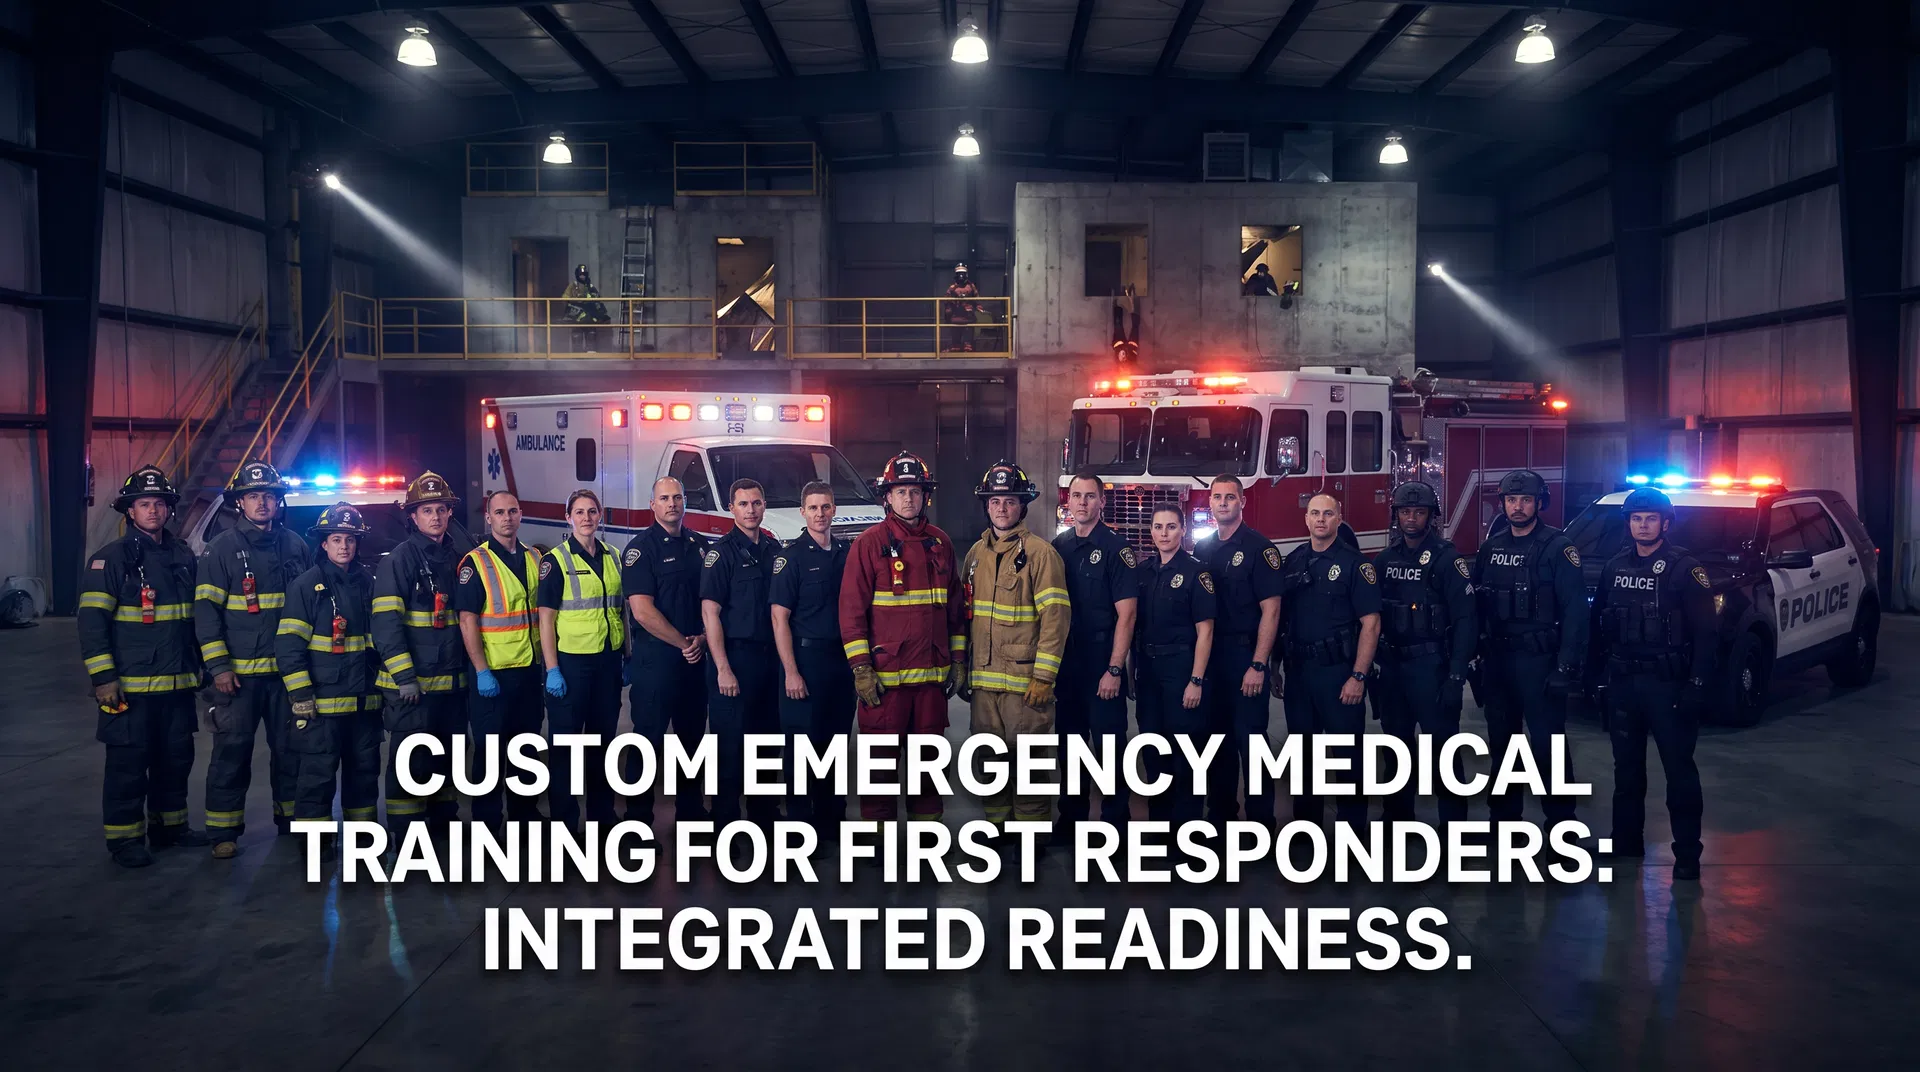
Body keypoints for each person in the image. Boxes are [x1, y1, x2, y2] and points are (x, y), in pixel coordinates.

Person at [78, 466, 213, 867]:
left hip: (176, 685)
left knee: (175, 760)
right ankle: (125, 841)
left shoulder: (181, 555)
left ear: (169, 509)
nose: (152, 511)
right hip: (130, 689)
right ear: (129, 511)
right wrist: (103, 679)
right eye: (144, 504)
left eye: (159, 503)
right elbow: (92, 624)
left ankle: (170, 829)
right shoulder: (110, 560)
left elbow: (192, 618)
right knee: (128, 765)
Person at [1592, 487, 1714, 882]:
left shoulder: (1685, 568)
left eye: (1650, 519)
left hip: (1668, 685)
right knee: (1626, 770)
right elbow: (1602, 628)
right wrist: (1597, 678)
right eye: (1636, 519)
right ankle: (1626, 842)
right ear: (1628, 523)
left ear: (1665, 523)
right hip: (1624, 681)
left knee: (1678, 772)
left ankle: (1687, 855)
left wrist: (1696, 684)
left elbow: (1706, 634)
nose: (1642, 525)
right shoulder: (1614, 567)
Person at [839, 451, 967, 822]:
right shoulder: (868, 544)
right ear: (887, 497)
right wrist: (861, 668)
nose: (908, 498)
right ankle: (877, 840)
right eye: (900, 491)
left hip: (931, 683)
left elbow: (955, 612)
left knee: (928, 770)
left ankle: (927, 837)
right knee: (878, 770)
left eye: (914, 491)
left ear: (925, 495)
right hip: (884, 685)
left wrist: (958, 661)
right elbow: (851, 613)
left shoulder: (941, 544)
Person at [195, 460, 309, 857]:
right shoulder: (221, 549)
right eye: (254, 496)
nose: (263, 503)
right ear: (240, 503)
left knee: (292, 749)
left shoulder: (295, 544)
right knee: (232, 752)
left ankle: (291, 820)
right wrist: (219, 668)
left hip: (287, 675)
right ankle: (222, 833)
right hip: (238, 679)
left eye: (270, 496)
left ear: (279, 502)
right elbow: (206, 614)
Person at [958, 461, 1071, 833]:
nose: (1001, 508)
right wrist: (962, 666)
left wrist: (1044, 677)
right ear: (986, 506)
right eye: (994, 501)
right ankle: (998, 831)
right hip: (985, 685)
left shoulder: (1040, 554)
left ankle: (1030, 837)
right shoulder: (976, 555)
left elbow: (1055, 618)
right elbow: (965, 614)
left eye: (1009, 500)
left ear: (1022, 505)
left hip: (1025, 686)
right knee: (990, 764)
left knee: (1029, 763)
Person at [1473, 469, 1588, 827]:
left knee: (1547, 747)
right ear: (1503, 504)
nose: (1517, 507)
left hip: (1540, 662)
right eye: (1511, 500)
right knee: (1503, 745)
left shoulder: (1559, 548)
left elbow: (1575, 612)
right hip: (1498, 661)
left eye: (1525, 500)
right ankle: (1504, 820)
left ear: (1539, 503)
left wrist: (1566, 667)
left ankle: (1560, 823)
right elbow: (1476, 604)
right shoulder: (1491, 547)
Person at [276, 502, 382, 855]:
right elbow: (289, 645)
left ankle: (362, 842)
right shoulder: (306, 586)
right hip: (320, 705)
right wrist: (300, 695)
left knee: (364, 777)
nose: (344, 546)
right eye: (336, 539)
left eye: (350, 540)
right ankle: (314, 846)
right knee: (317, 778)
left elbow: (380, 642)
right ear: (323, 543)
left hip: (364, 704)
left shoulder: (369, 583)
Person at [1370, 482, 1476, 825]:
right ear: (1396, 516)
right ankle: (1396, 818)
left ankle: (1453, 825)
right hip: (1392, 667)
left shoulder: (1448, 559)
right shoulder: (1385, 560)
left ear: (1431, 517)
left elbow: (1465, 620)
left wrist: (1457, 675)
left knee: (1443, 750)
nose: (1411, 518)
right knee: (1396, 747)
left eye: (1418, 512)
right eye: (1404, 512)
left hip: (1432, 667)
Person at [372, 471, 470, 833]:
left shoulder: (459, 557)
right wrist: (405, 679)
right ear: (412, 517)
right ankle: (404, 828)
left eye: (441, 509)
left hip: (452, 684)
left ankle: (443, 821)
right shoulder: (399, 561)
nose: (436, 517)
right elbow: (386, 626)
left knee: (448, 757)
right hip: (415, 689)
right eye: (427, 510)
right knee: (411, 762)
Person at [1279, 494, 1382, 828]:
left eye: (1327, 514)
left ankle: (1354, 827)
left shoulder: (1356, 565)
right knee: (1304, 754)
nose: (1320, 519)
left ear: (1339, 519)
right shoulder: (1293, 561)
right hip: (1299, 672)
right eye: (1314, 514)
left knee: (1347, 754)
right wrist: (1275, 665)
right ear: (1306, 520)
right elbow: (1283, 619)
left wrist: (1359, 675)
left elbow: (1371, 624)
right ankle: (1306, 825)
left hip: (1339, 673)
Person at [1192, 474, 1285, 826]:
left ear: (1242, 502)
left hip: (1245, 657)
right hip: (1212, 660)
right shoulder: (1203, 549)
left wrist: (1259, 664)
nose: (1223, 503)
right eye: (1217, 497)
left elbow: (1271, 610)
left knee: (1252, 744)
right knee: (1216, 742)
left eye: (1230, 497)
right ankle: (1220, 816)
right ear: (1210, 502)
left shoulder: (1261, 549)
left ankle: (1262, 821)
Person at [1051, 471, 1138, 831]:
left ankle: (1115, 823)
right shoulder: (1059, 548)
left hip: (1102, 660)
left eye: (1090, 496)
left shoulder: (1118, 549)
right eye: (1076, 496)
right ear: (1067, 501)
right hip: (1067, 663)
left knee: (1109, 748)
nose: (1082, 503)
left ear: (1102, 501)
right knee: (1070, 747)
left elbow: (1128, 614)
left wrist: (1115, 669)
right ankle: (1071, 820)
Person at [621, 477, 710, 825]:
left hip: (693, 658)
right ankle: (637, 821)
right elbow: (642, 610)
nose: (672, 503)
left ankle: (691, 812)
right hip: (656, 660)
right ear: (652, 505)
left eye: (677, 497)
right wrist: (684, 642)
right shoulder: (640, 549)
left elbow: (709, 602)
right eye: (664, 498)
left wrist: (701, 638)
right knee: (648, 741)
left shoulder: (699, 546)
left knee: (692, 740)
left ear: (685, 501)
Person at [454, 491, 544, 831]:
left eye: (513, 511)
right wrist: (481, 670)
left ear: (521, 515)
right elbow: (468, 620)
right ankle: (487, 823)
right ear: (488, 518)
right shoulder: (475, 563)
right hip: (492, 674)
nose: (507, 518)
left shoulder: (535, 558)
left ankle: (525, 816)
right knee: (490, 754)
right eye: (499, 512)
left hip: (528, 671)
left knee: (526, 750)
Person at [537, 489, 627, 829]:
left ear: (600, 515)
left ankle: (602, 816)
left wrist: (625, 654)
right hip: (571, 665)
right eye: (579, 512)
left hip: (607, 662)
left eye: (592, 511)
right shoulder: (556, 560)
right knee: (566, 747)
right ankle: (564, 820)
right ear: (568, 518)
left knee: (603, 744)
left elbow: (620, 609)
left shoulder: (613, 556)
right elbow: (545, 619)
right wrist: (552, 669)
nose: (586, 518)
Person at [770, 481, 854, 837]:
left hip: (842, 663)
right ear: (802, 512)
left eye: (826, 507)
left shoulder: (848, 554)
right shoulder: (790, 558)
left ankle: (832, 819)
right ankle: (802, 824)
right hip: (805, 660)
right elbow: (779, 618)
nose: (820, 514)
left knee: (835, 745)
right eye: (813, 508)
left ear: (834, 510)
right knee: (802, 748)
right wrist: (791, 672)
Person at [700, 479, 781, 827]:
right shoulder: (721, 554)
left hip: (769, 661)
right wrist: (722, 668)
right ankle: (726, 823)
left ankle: (764, 818)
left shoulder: (774, 549)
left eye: (757, 503)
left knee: (767, 744)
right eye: (744, 504)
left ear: (764, 506)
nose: (751, 510)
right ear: (731, 508)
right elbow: (710, 613)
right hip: (734, 659)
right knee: (729, 747)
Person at [1133, 505, 1215, 824]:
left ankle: (1188, 831)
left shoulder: (1197, 572)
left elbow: (1205, 631)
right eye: (1158, 527)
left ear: (1183, 531)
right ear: (1151, 531)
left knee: (1186, 756)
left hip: (1181, 670)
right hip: (1149, 673)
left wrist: (1196, 680)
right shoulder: (1144, 572)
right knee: (1154, 751)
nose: (1163, 533)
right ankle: (1160, 826)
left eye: (1170, 527)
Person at [562, 263, 611, 351]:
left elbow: (597, 300)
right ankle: (577, 356)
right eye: (580, 274)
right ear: (577, 274)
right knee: (577, 336)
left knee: (591, 335)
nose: (582, 276)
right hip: (576, 317)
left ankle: (590, 356)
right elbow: (564, 298)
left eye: (584, 274)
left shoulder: (590, 287)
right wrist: (576, 300)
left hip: (589, 318)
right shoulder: (572, 286)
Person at [943, 263, 980, 352]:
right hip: (956, 317)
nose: (961, 276)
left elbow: (977, 299)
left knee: (968, 343)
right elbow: (945, 301)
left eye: (962, 273)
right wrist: (949, 309)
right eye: (959, 273)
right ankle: (956, 350)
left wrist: (978, 307)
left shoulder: (971, 286)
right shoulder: (952, 288)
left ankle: (968, 350)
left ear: (966, 274)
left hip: (968, 318)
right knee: (956, 342)